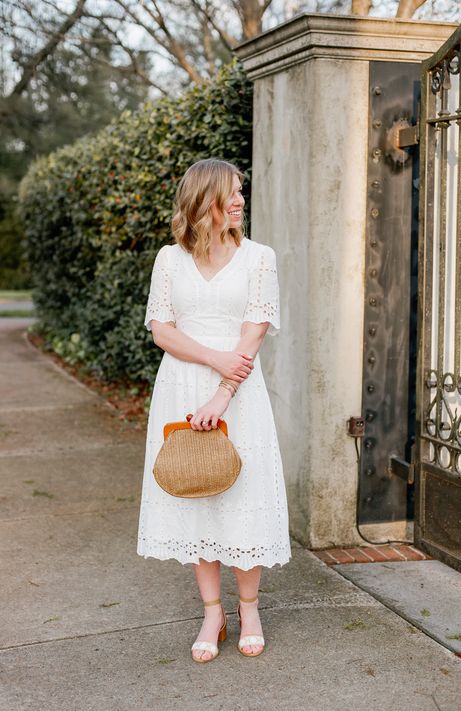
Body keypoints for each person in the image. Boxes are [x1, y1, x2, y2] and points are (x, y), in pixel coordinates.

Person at [137, 158, 291, 663]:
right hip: (180, 386)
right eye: (232, 193)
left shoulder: (259, 258)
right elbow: (161, 329)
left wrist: (223, 389)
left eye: (242, 192)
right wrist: (210, 356)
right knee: (195, 494)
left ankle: (249, 610)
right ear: (205, 200)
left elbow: (253, 332)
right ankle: (212, 612)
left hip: (240, 391)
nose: (241, 201)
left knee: (241, 498)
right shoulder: (168, 259)